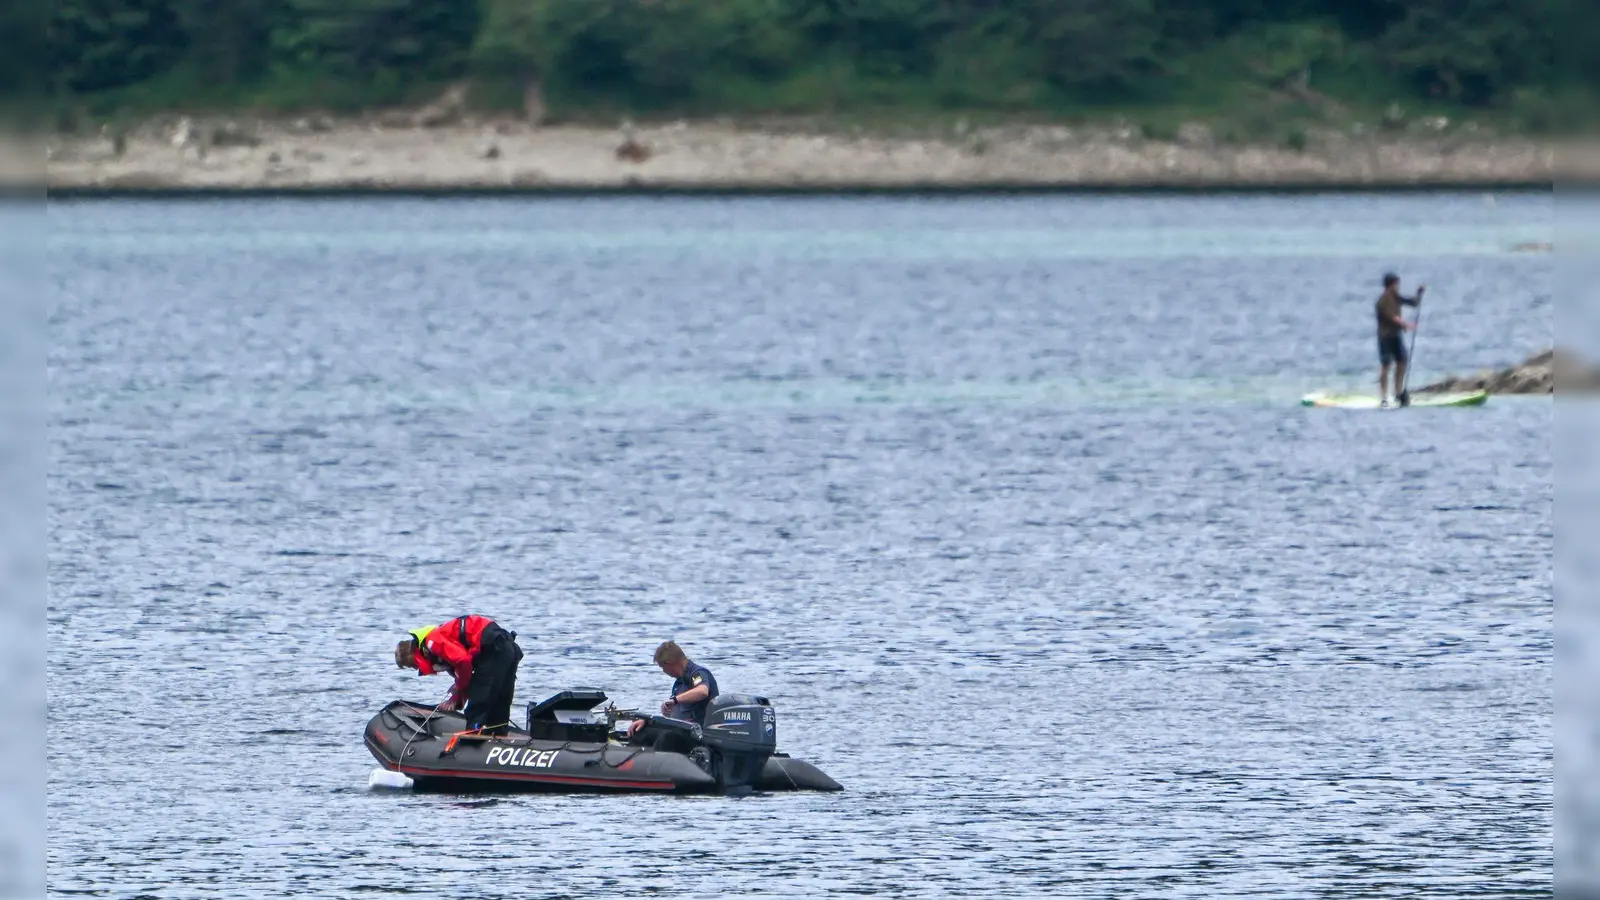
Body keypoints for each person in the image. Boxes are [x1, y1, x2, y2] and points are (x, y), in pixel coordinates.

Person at [394, 614, 523, 735]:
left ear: (412, 655)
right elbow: (466, 676)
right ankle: (498, 734)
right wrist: (454, 700)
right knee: (499, 702)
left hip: (493, 647)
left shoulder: (433, 641)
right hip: (506, 648)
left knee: (479, 703)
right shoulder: (441, 649)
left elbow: (464, 661)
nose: (416, 668)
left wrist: (458, 686)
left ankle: (472, 737)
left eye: (412, 665)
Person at [627, 640, 718, 738]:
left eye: (663, 667)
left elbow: (702, 691)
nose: (664, 671)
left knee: (664, 738)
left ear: (669, 663)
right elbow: (673, 716)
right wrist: (647, 721)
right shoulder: (679, 683)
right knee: (640, 730)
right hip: (680, 728)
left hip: (697, 733)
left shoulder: (697, 673)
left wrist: (675, 700)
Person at [1375, 273, 1424, 407]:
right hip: (1385, 337)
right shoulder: (1383, 301)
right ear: (1391, 285)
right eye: (1396, 284)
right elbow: (1392, 318)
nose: (1398, 287)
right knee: (1386, 365)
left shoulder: (1395, 297)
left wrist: (1419, 293)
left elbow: (1413, 303)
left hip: (1396, 336)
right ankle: (1383, 397)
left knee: (1402, 362)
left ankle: (1397, 393)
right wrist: (1406, 325)